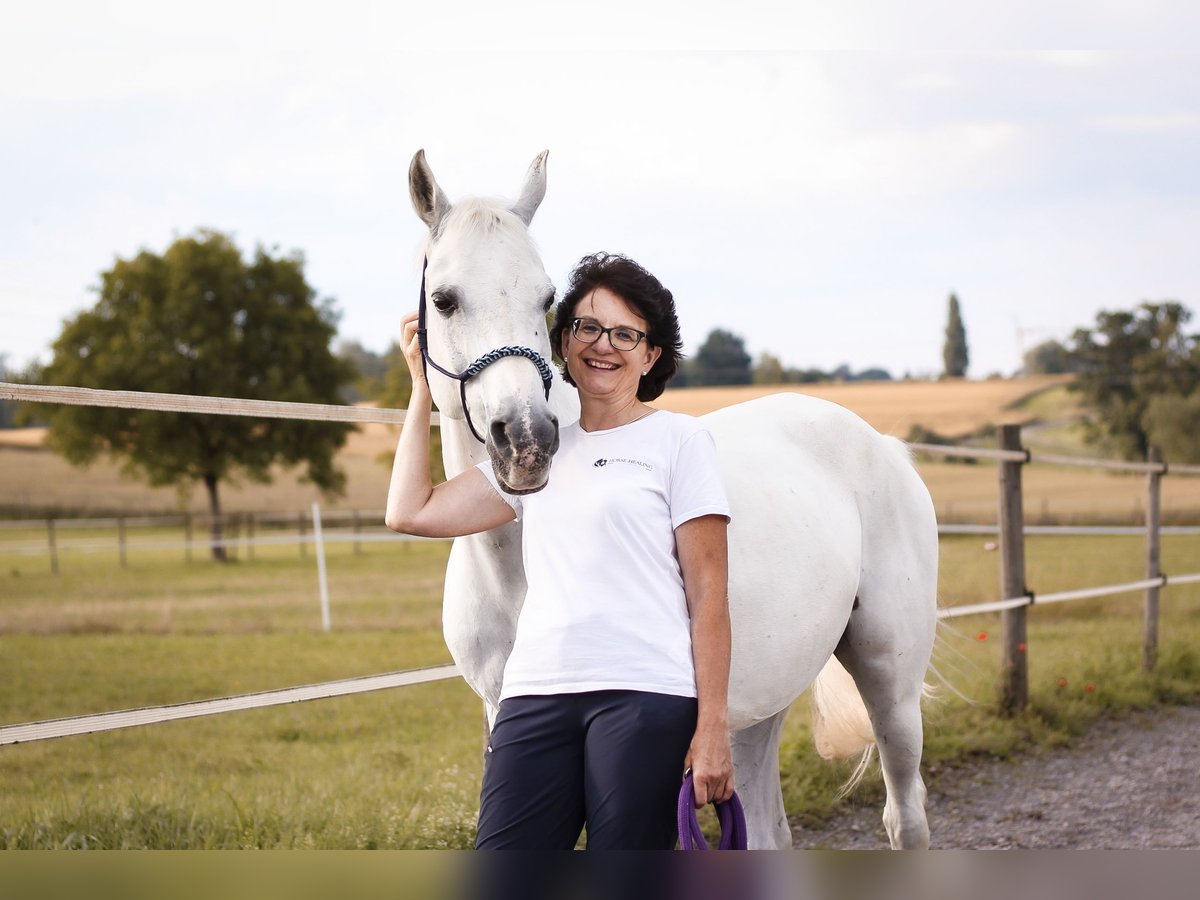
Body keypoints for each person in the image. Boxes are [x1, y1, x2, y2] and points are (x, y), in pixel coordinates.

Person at [386, 251, 733, 850]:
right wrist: (421, 389)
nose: (605, 345)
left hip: (644, 696)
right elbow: (409, 511)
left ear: (651, 355)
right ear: (564, 343)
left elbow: (709, 598)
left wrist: (712, 729)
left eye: (626, 333)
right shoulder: (534, 455)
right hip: (536, 692)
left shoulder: (680, 441)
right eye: (588, 327)